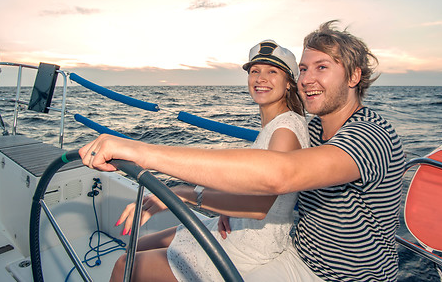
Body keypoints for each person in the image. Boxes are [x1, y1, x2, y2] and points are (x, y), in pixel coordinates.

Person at [81, 20, 405, 281]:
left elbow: (280, 175)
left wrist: (146, 157)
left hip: (345, 278)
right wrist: (224, 204)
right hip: (298, 254)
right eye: (304, 69)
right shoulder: (316, 128)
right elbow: (265, 180)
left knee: (128, 266)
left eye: (322, 67)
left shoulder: (369, 136)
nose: (308, 78)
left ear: (354, 75)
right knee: (134, 256)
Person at [107, 39, 310, 281]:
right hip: (234, 228)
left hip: (248, 248)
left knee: (124, 266)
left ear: (289, 83)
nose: (260, 78)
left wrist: (185, 194)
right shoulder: (277, 124)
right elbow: (249, 179)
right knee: (136, 247)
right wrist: (227, 210)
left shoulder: (285, 130)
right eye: (255, 71)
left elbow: (259, 206)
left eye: (272, 71)